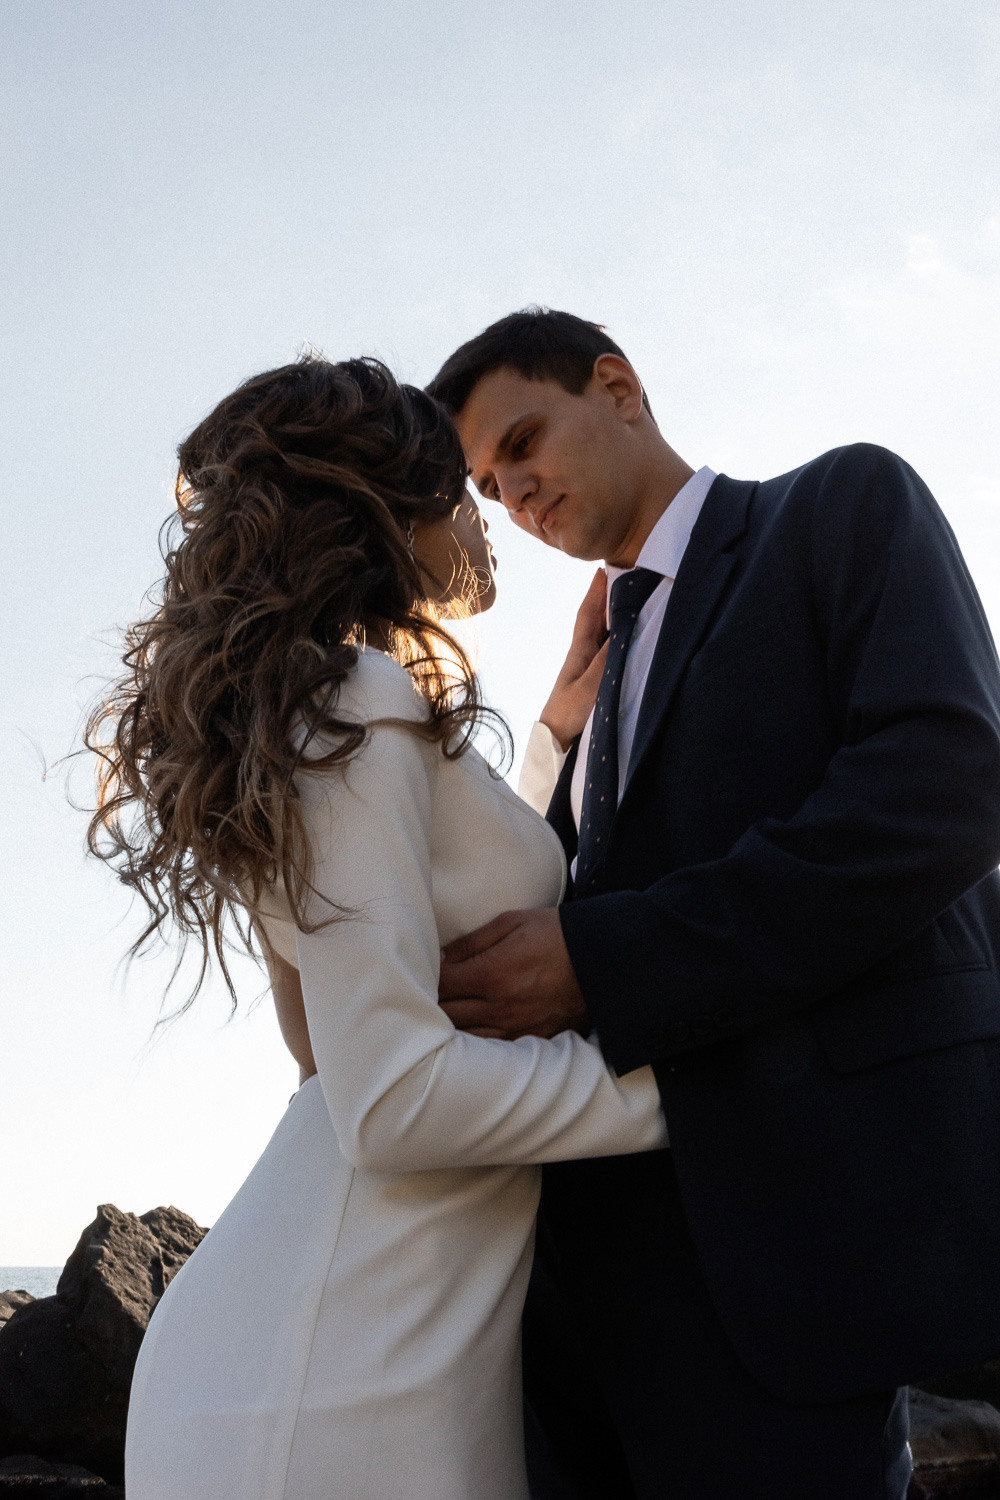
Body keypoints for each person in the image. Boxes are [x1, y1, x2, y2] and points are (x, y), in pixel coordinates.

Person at [427, 307, 1000, 1499]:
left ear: (617, 386)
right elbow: (558, 894)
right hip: (578, 1287)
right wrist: (551, 745)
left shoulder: (839, 508)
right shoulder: (594, 672)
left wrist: (607, 957)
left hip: (796, 1254)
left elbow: (945, 785)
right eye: (490, 481)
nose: (514, 491)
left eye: (524, 441)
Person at [86, 354, 668, 1500]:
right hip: (335, 1368)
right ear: (389, 509)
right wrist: (683, 1091)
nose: (491, 509)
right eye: (463, 486)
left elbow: (322, 1048)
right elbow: (389, 1100)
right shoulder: (354, 699)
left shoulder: (320, 709)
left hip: (339, 1337)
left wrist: (548, 748)